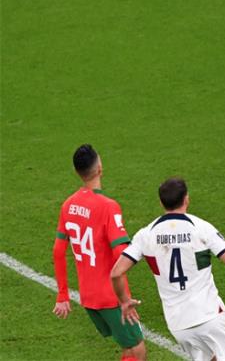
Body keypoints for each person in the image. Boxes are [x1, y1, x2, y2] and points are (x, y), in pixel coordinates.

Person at [111, 177, 225, 361]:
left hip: (178, 325)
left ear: (161, 202)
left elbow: (116, 273)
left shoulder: (146, 234)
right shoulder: (201, 227)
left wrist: (124, 301)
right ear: (186, 199)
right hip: (209, 315)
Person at [52, 144, 145, 361]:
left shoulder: (68, 205)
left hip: (88, 296)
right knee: (137, 349)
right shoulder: (108, 206)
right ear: (100, 168)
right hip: (110, 296)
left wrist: (63, 294)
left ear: (77, 172)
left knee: (128, 347)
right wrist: (125, 298)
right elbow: (121, 253)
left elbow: (58, 250)